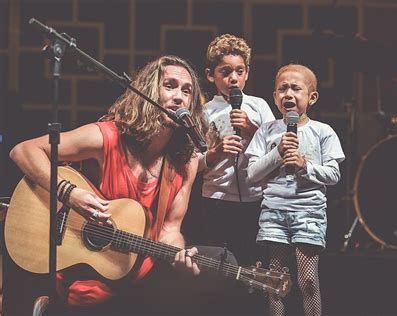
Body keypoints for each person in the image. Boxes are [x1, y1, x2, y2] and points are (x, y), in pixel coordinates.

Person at [8, 55, 219, 315]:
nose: (179, 97)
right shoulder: (108, 136)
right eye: (170, 86)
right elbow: (24, 151)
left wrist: (179, 257)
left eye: (187, 91)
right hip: (86, 270)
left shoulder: (186, 163)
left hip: (139, 277)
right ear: (150, 91)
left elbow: (169, 229)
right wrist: (70, 193)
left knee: (214, 274)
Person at [246, 64, 345, 316]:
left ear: (311, 97)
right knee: (275, 280)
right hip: (274, 212)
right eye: (282, 89)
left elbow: (333, 175)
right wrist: (278, 152)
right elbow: (252, 174)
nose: (288, 94)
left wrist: (305, 166)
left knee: (308, 279)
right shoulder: (266, 131)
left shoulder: (323, 132)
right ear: (274, 97)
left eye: (295, 88)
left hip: (308, 213)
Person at [197, 33, 275, 267]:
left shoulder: (258, 106)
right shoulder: (204, 112)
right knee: (221, 264)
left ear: (247, 73)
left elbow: (276, 151)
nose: (234, 78)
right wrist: (216, 152)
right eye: (225, 72)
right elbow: (192, 162)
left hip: (255, 198)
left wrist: (252, 128)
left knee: (254, 262)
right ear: (210, 75)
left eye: (239, 71)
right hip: (216, 198)